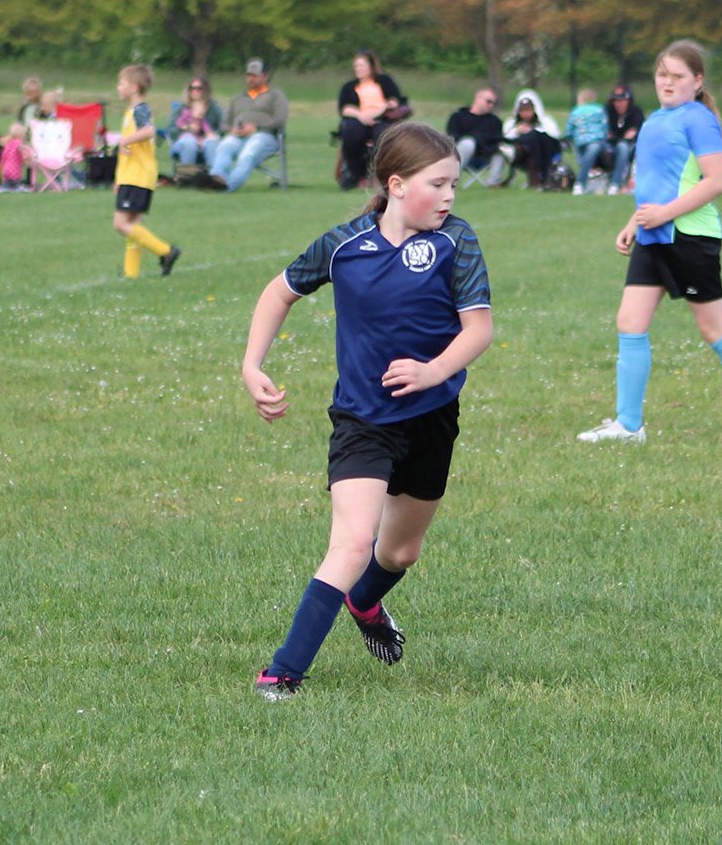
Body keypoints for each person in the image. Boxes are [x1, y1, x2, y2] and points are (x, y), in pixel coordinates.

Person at [240, 122, 493, 701]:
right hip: (363, 419)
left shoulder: (457, 240)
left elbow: (479, 329)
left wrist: (432, 371)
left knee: (400, 551)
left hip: (432, 417)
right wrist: (253, 364)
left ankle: (365, 601)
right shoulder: (344, 245)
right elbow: (279, 292)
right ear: (397, 185)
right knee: (352, 543)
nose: (450, 196)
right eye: (438, 184)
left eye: (454, 184)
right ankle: (281, 674)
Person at [576, 40, 722, 447]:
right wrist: (635, 222)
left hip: (691, 236)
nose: (668, 82)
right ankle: (629, 425)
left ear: (698, 80)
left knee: (713, 327)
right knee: (629, 322)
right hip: (653, 234)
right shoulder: (655, 120)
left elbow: (717, 181)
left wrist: (664, 214)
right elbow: (656, 183)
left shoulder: (699, 119)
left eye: (677, 76)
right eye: (662, 75)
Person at [109, 64, 181, 279]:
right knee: (133, 225)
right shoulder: (132, 111)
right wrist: (119, 178)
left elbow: (149, 131)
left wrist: (125, 140)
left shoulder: (140, 110)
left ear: (133, 87)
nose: (118, 87)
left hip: (138, 175)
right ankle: (131, 273)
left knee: (120, 224)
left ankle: (166, 251)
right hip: (134, 175)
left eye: (121, 83)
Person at [209, 61, 290, 193]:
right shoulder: (238, 98)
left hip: (264, 136)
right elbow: (224, 123)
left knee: (247, 154)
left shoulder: (275, 95)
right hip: (238, 136)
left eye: (255, 76)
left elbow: (280, 120)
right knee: (224, 148)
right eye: (249, 75)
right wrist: (232, 129)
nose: (251, 79)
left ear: (264, 76)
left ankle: (228, 187)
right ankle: (215, 182)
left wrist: (256, 128)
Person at [336, 50, 411, 190]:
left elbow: (394, 101)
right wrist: (361, 116)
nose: (358, 69)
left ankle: (380, 174)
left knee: (383, 137)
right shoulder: (349, 87)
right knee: (352, 134)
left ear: (370, 67)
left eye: (361, 66)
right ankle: (357, 174)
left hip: (382, 117)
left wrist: (377, 112)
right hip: (359, 118)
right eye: (356, 66)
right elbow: (344, 108)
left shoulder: (385, 82)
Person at [505, 91, 562, 190]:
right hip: (520, 155)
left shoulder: (546, 121)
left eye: (528, 110)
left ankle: (541, 178)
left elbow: (554, 135)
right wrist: (517, 131)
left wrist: (532, 131)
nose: (525, 114)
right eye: (522, 111)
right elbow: (505, 138)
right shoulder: (511, 123)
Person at [167, 76, 223, 174]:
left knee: (211, 143)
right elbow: (171, 129)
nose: (195, 91)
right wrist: (188, 129)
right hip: (184, 141)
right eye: (191, 88)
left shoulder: (214, 109)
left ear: (206, 90)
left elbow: (224, 127)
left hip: (206, 141)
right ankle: (187, 175)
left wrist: (210, 135)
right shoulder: (182, 109)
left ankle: (213, 176)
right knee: (189, 142)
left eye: (199, 88)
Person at [445, 87, 504, 177]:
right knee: (468, 143)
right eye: (488, 101)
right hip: (461, 154)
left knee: (502, 151)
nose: (491, 105)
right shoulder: (457, 117)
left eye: (493, 103)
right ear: (478, 98)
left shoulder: (495, 121)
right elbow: (452, 137)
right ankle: (452, 177)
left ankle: (494, 182)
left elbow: (496, 140)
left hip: (485, 157)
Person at [566, 87, 610, 195]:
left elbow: (569, 129)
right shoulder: (600, 109)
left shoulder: (575, 111)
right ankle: (584, 181)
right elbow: (604, 125)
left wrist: (568, 137)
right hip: (597, 140)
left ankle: (581, 182)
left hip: (580, 141)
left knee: (584, 157)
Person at [604, 85, 644, 194]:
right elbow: (606, 131)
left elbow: (634, 132)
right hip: (608, 144)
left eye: (622, 101)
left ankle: (615, 183)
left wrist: (619, 138)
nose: (618, 104)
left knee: (623, 148)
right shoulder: (607, 111)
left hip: (630, 145)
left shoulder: (636, 112)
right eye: (616, 101)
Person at [0, 123, 33, 188]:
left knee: (8, 183)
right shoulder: (19, 143)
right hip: (15, 171)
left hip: (6, 171)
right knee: (16, 183)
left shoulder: (8, 144)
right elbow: (24, 153)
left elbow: (3, 157)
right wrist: (29, 157)